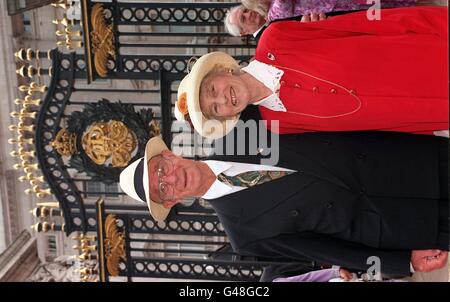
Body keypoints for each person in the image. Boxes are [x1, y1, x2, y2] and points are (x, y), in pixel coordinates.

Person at [119, 130, 449, 276]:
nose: (172, 178)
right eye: (162, 188)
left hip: (399, 160)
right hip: (395, 224)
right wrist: (403, 263)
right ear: (173, 200)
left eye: (161, 170)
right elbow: (325, 252)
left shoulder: (237, 131)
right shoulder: (243, 235)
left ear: (169, 154)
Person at [177, 7, 448, 140]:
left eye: (213, 90)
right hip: (426, 111)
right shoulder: (275, 126)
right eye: (215, 108)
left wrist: (438, 23)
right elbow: (365, 132)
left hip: (430, 56)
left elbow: (361, 24)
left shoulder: (275, 38)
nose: (223, 99)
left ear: (223, 70)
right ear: (226, 117)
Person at [224, 0, 421, 37]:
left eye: (244, 11)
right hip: (338, 8)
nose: (248, 14)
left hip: (338, 5)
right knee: (384, 10)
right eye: (244, 17)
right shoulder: (274, 13)